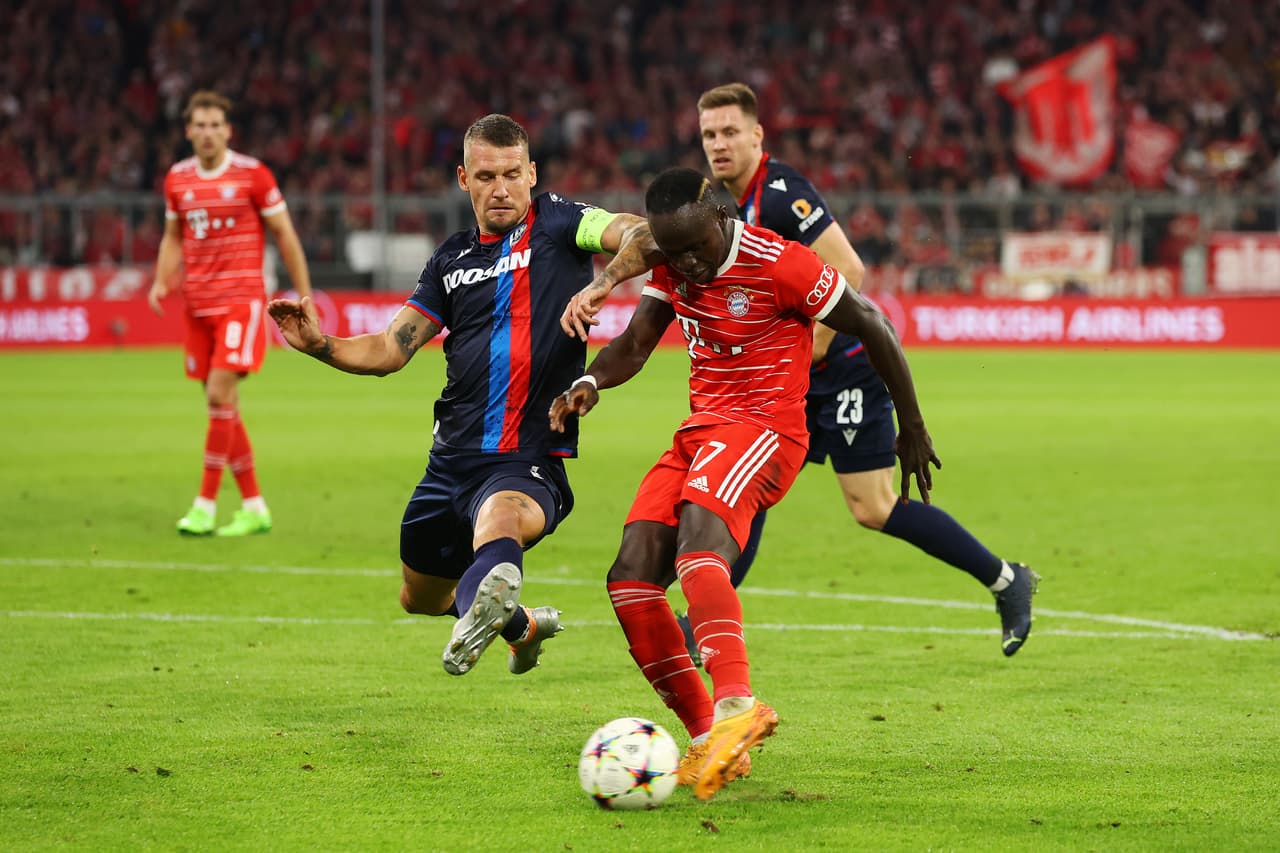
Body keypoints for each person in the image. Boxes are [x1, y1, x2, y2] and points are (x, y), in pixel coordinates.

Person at [566, 82, 1038, 658]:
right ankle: (702, 624)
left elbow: (851, 272)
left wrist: (814, 346)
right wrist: (607, 284)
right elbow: (650, 248)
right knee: (736, 495)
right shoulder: (703, 205)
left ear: (756, 135)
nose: (719, 144)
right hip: (772, 385)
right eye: (709, 134)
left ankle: (1007, 580)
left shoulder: (785, 193)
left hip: (836, 370)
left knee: (871, 506)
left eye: (730, 132)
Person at [550, 167, 939, 801]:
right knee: (630, 579)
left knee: (699, 546)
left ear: (725, 222)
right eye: (674, 253)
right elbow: (636, 344)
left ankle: (738, 706)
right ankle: (711, 734)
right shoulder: (672, 260)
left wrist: (911, 428)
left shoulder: (782, 263)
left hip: (767, 430)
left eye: (697, 249)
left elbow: (873, 324)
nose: (688, 265)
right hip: (701, 431)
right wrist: (590, 382)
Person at [269, 114, 660, 677]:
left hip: (527, 458)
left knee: (497, 523)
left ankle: (494, 602)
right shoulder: (450, 261)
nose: (499, 189)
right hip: (449, 463)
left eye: (510, 174)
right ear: (463, 179)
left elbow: (644, 234)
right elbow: (389, 348)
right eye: (485, 176)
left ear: (531, 174)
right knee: (418, 598)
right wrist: (319, 344)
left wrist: (600, 283)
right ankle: (520, 625)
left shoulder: (562, 222)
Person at [148, 90, 313, 537]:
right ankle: (255, 505)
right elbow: (172, 236)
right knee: (224, 407)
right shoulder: (177, 179)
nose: (206, 133)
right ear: (188, 131)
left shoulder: (252, 175)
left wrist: (304, 293)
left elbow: (284, 233)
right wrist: (163, 279)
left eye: (214, 125)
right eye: (198, 125)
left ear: (228, 130)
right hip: (197, 307)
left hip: (240, 302)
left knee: (219, 396)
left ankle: (203, 504)